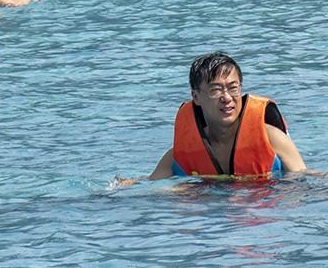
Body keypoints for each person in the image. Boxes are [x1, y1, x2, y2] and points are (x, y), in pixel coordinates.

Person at [118, 52, 307, 184]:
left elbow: (303, 178)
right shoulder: (178, 156)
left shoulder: (271, 138)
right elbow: (152, 185)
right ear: (196, 97)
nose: (227, 98)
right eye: (216, 90)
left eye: (233, 88)